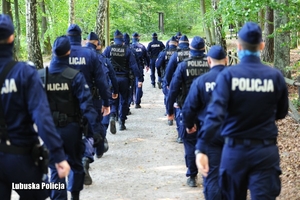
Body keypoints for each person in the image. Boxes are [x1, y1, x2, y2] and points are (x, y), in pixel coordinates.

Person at [196, 22, 289, 200]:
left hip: (234, 152)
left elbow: (214, 115)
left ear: (238, 46)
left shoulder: (228, 76)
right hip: (265, 152)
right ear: (261, 46)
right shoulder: (274, 76)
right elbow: (282, 112)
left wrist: (201, 148)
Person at [0, 14, 70, 200]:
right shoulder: (24, 73)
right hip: (21, 163)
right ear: (12, 38)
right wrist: (58, 156)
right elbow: (42, 118)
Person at [41, 35, 103, 200]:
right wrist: (95, 131)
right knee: (75, 164)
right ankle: (75, 196)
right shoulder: (74, 76)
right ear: (69, 52)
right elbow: (87, 106)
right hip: (71, 129)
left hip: (49, 131)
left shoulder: (41, 76)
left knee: (56, 168)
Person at [66, 24, 110, 186]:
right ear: (80, 38)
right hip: (90, 100)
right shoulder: (90, 54)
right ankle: (85, 157)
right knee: (89, 130)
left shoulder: (61, 54)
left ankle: (71, 162)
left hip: (66, 101)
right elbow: (101, 81)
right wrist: (106, 102)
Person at [182, 45, 227, 199]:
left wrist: (189, 126)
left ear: (209, 61)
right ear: (227, 60)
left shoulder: (201, 81)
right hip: (234, 134)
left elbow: (188, 108)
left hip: (209, 134)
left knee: (212, 175)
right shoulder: (237, 80)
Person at [166, 36, 210, 187]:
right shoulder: (210, 64)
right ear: (204, 49)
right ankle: (209, 173)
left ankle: (192, 175)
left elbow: (173, 89)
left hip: (187, 109)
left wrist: (169, 110)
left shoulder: (183, 66)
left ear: (191, 50)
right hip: (208, 111)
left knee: (190, 142)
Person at [86, 32, 119, 158]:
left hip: (79, 96)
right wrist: (111, 95)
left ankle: (85, 153)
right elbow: (108, 79)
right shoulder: (102, 59)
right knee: (98, 121)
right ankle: (99, 149)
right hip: (96, 95)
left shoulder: (75, 56)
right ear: (97, 44)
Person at [103, 30, 143, 131]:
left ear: (114, 39)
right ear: (122, 40)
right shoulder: (127, 50)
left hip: (112, 79)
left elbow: (102, 62)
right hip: (124, 79)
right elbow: (134, 66)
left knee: (113, 99)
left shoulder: (108, 49)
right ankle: (122, 122)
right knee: (124, 100)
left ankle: (112, 115)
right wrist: (140, 78)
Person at [155, 36, 178, 115]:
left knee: (167, 95)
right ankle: (175, 111)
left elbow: (157, 65)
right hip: (177, 77)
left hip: (166, 76)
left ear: (169, 43)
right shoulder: (179, 53)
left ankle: (168, 111)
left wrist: (159, 76)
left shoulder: (163, 52)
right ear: (176, 44)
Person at [130, 32, 150, 108]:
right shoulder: (142, 47)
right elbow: (147, 57)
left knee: (131, 84)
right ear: (138, 37)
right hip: (140, 67)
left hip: (131, 68)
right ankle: (137, 102)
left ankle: (131, 100)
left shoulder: (130, 47)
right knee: (139, 83)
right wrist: (148, 65)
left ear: (132, 37)